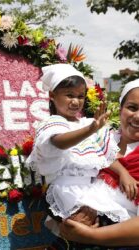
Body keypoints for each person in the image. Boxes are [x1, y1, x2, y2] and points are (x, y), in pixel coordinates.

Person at [26, 64, 136, 235]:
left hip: (90, 189)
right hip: (66, 189)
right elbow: (60, 142)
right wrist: (90, 130)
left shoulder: (85, 123)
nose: (76, 101)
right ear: (52, 95)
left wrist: (123, 173)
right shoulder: (52, 124)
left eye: (80, 96)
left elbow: (105, 156)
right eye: (69, 95)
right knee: (77, 227)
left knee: (107, 221)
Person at [59, 78, 139, 247]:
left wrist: (91, 235)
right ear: (121, 109)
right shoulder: (102, 138)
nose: (138, 117)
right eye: (132, 108)